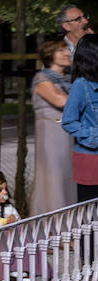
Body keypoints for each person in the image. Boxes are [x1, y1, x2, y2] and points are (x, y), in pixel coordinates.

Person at [30, 40, 75, 214]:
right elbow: (60, 101)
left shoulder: (69, 79)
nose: (67, 53)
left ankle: (71, 221)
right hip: (52, 134)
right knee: (53, 176)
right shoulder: (42, 78)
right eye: (61, 50)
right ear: (50, 55)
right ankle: (54, 221)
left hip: (69, 133)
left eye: (66, 49)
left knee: (68, 176)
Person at [61, 34, 98, 202]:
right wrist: (93, 136)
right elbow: (68, 122)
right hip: (90, 159)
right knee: (90, 213)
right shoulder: (81, 86)